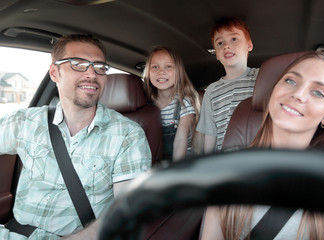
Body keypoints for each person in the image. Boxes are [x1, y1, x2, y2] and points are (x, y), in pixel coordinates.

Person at [200, 52, 324, 240]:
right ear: (274, 90)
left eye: (318, 93)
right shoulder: (226, 167)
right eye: (290, 81)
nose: (298, 94)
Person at [0, 34, 151, 239]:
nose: (92, 74)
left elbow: (127, 213)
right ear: (54, 72)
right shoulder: (23, 122)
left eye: (99, 67)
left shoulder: (128, 135)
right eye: (78, 64)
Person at [195, 16, 259, 154]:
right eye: (219, 43)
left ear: (249, 45)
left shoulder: (261, 77)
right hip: (227, 160)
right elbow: (210, 134)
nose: (226, 46)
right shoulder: (211, 91)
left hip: (259, 155)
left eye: (234, 39)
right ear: (216, 54)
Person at [143, 46, 200, 161]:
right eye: (155, 67)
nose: (161, 72)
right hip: (156, 159)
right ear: (148, 73)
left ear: (178, 72)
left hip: (182, 158)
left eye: (168, 66)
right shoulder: (146, 103)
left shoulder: (184, 103)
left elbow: (181, 139)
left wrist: (175, 171)